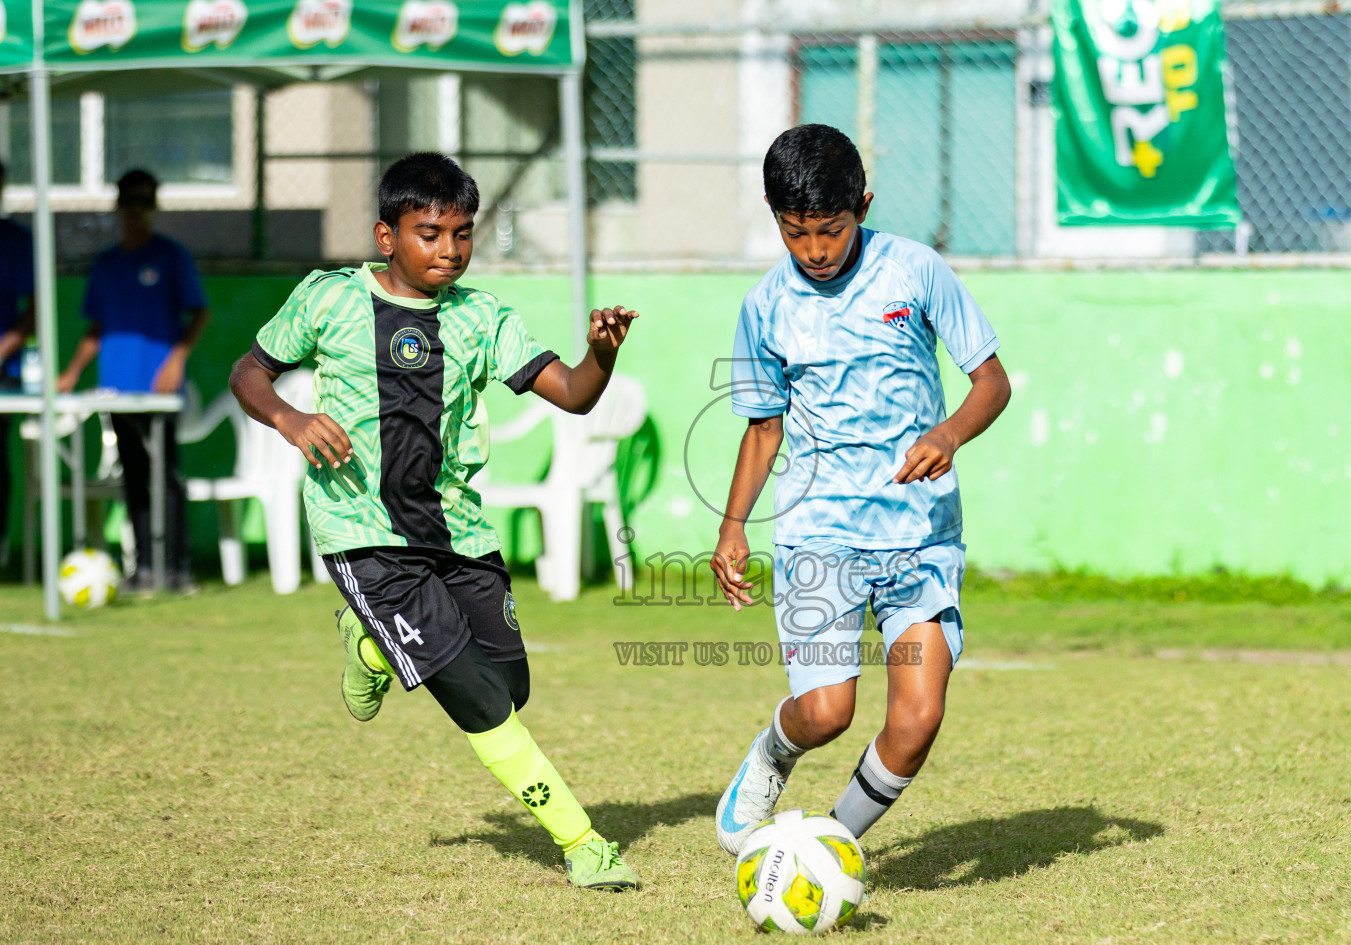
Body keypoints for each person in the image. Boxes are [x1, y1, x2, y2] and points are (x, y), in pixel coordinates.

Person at [228, 152, 643, 892]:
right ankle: (583, 845)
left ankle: (370, 647)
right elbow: (248, 373)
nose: (448, 249)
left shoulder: (482, 318)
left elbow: (576, 395)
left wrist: (601, 355)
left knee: (508, 687)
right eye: (429, 233)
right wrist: (292, 420)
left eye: (462, 233)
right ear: (387, 237)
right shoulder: (327, 300)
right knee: (478, 701)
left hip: (457, 530)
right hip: (363, 532)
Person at [711, 125, 1012, 854]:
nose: (815, 250)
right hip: (821, 534)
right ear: (772, 214)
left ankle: (829, 847)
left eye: (831, 230)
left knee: (916, 722)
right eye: (796, 233)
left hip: (920, 537)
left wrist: (948, 434)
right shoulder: (764, 305)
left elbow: (991, 384)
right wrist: (732, 527)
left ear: (864, 205)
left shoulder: (916, 270)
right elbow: (763, 429)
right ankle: (773, 756)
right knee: (825, 712)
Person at [58, 169, 210, 591]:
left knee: (166, 475)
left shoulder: (170, 256)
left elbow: (199, 312)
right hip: (118, 390)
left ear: (154, 206)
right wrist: (71, 372)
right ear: (119, 206)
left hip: (160, 391)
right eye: (130, 201)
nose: (137, 210)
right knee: (136, 477)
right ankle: (144, 567)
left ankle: (178, 569)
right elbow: (96, 329)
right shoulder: (106, 264)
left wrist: (176, 360)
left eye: (145, 201)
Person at [0, 158, 36, 560]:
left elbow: (36, 306)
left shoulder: (16, 240)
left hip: (4, 372)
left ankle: (1, 546)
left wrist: (4, 348)